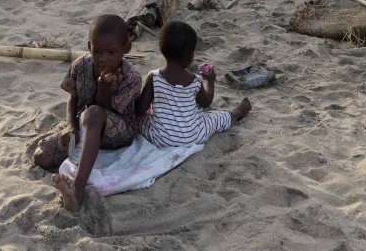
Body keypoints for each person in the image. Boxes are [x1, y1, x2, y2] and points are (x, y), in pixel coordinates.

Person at [33, 14, 141, 212]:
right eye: (97, 51)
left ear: (126, 49)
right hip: (85, 124)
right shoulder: (81, 66)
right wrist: (70, 126)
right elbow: (73, 97)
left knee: (93, 114)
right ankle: (80, 153)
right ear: (89, 46)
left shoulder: (131, 78)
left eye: (111, 52)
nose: (103, 59)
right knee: (42, 157)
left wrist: (103, 86)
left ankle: (78, 189)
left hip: (118, 131)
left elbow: (103, 112)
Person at [135, 21, 251, 150]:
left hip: (162, 139)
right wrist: (210, 82)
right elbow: (206, 102)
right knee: (215, 118)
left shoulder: (154, 78)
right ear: (189, 56)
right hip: (195, 136)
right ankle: (237, 112)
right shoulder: (193, 80)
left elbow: (140, 110)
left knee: (142, 121)